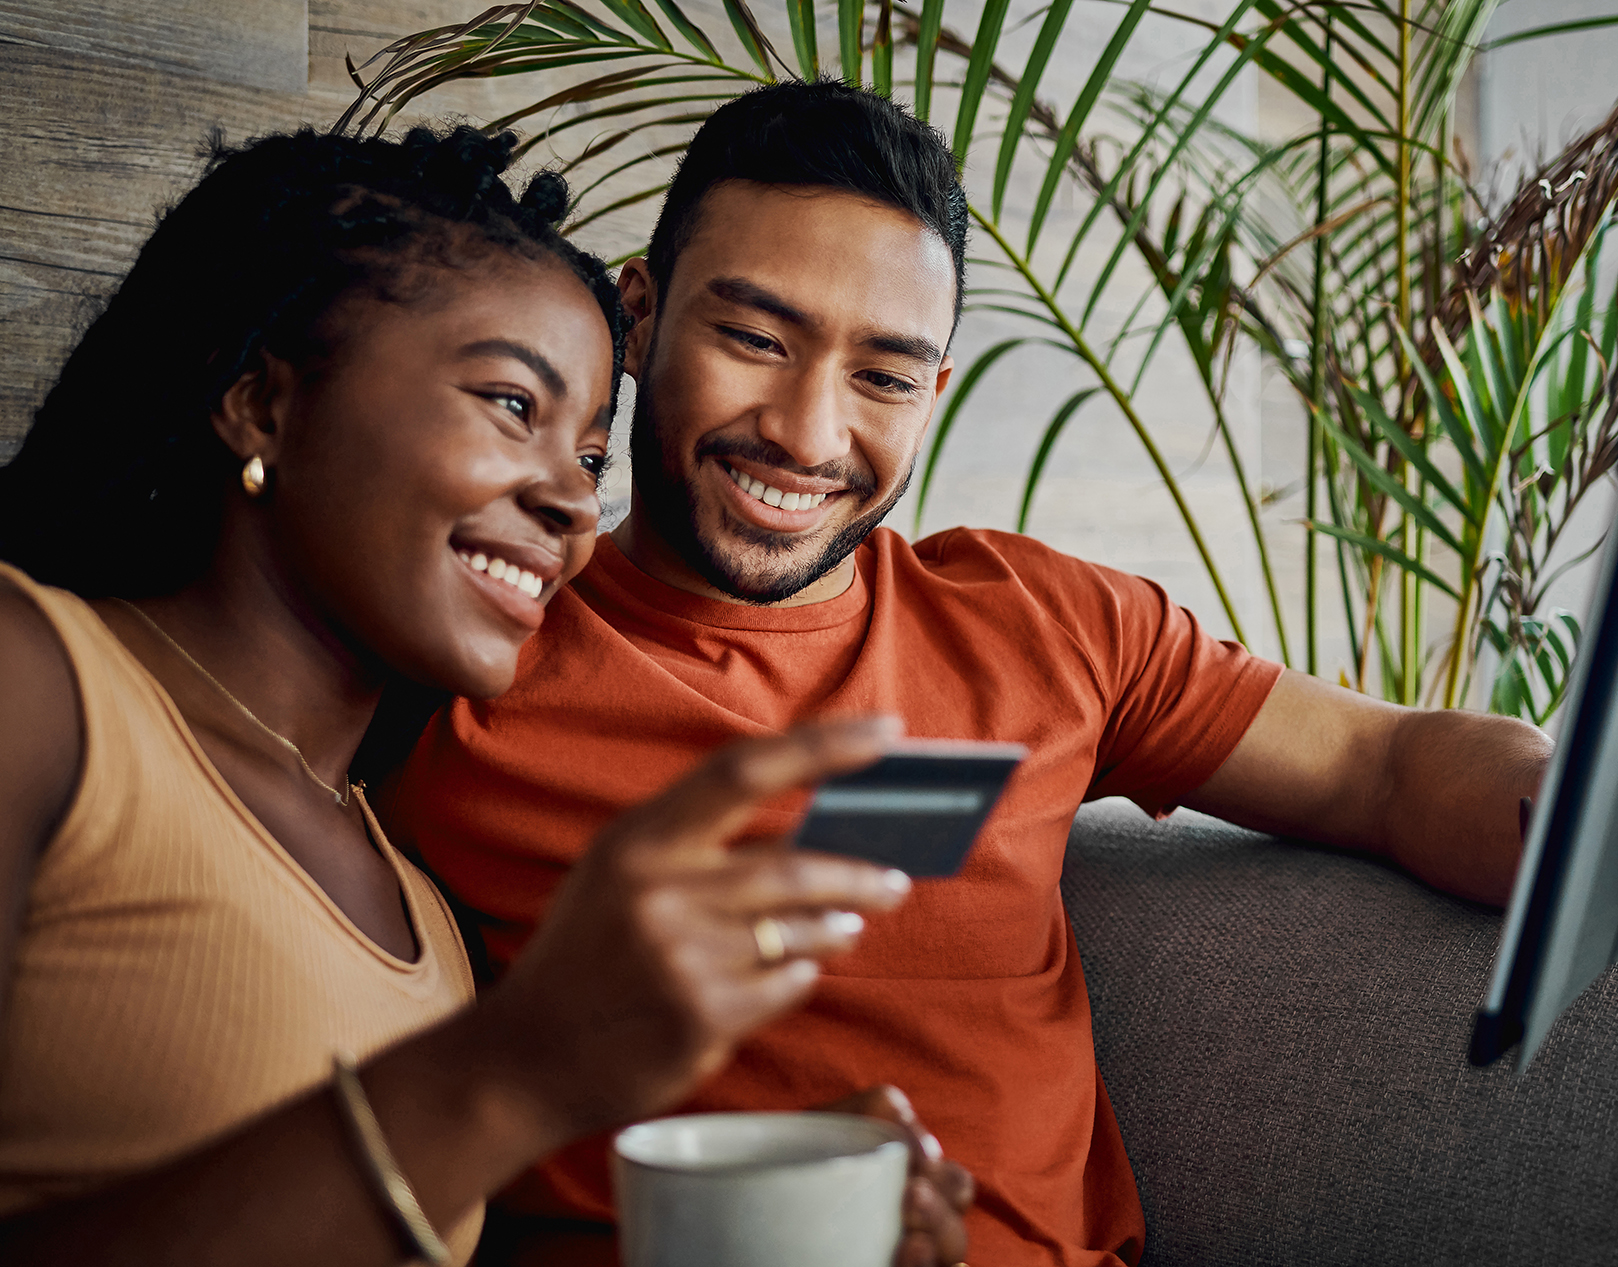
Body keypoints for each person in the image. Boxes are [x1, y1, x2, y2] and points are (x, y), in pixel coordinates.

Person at [385, 80, 1618, 1267]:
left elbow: (1380, 764)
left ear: (934, 390)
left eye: (883, 374)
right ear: (638, 316)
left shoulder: (1035, 623)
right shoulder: (461, 656)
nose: (806, 432)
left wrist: (1607, 804)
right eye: (751, 337)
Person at [0, 124, 970, 1265]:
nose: (569, 500)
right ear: (263, 402)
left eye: (591, 452)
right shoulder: (39, 685)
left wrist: (765, 1222)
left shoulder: (413, 895)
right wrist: (512, 1068)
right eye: (513, 404)